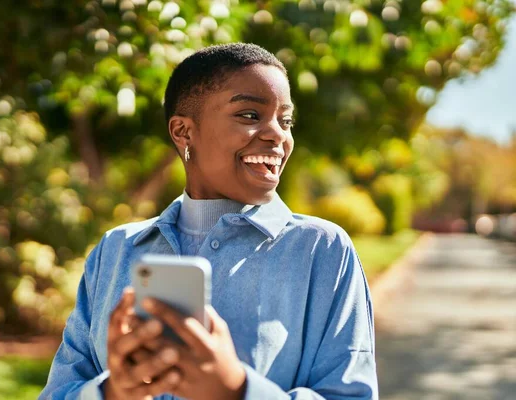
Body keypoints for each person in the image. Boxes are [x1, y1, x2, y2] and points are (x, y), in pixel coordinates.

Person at [39, 43, 378, 400]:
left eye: (285, 120)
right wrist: (113, 392)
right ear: (183, 132)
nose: (278, 134)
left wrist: (235, 389)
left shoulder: (322, 251)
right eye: (250, 115)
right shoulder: (115, 249)